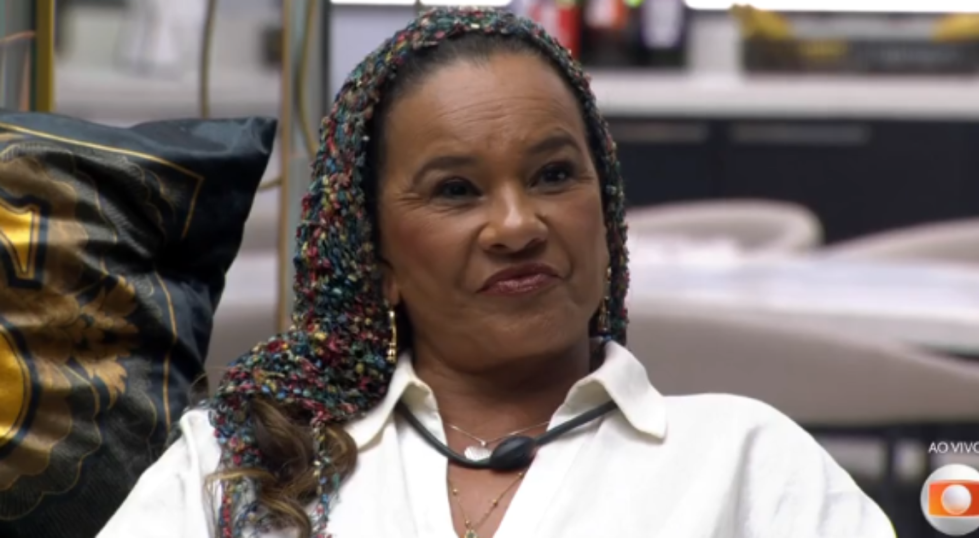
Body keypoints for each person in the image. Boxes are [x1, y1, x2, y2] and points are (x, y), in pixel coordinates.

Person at [98, 7, 895, 538]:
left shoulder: (744, 461)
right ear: (377, 259)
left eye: (554, 175)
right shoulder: (246, 459)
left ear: (606, 214)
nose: (518, 225)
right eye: (456, 190)